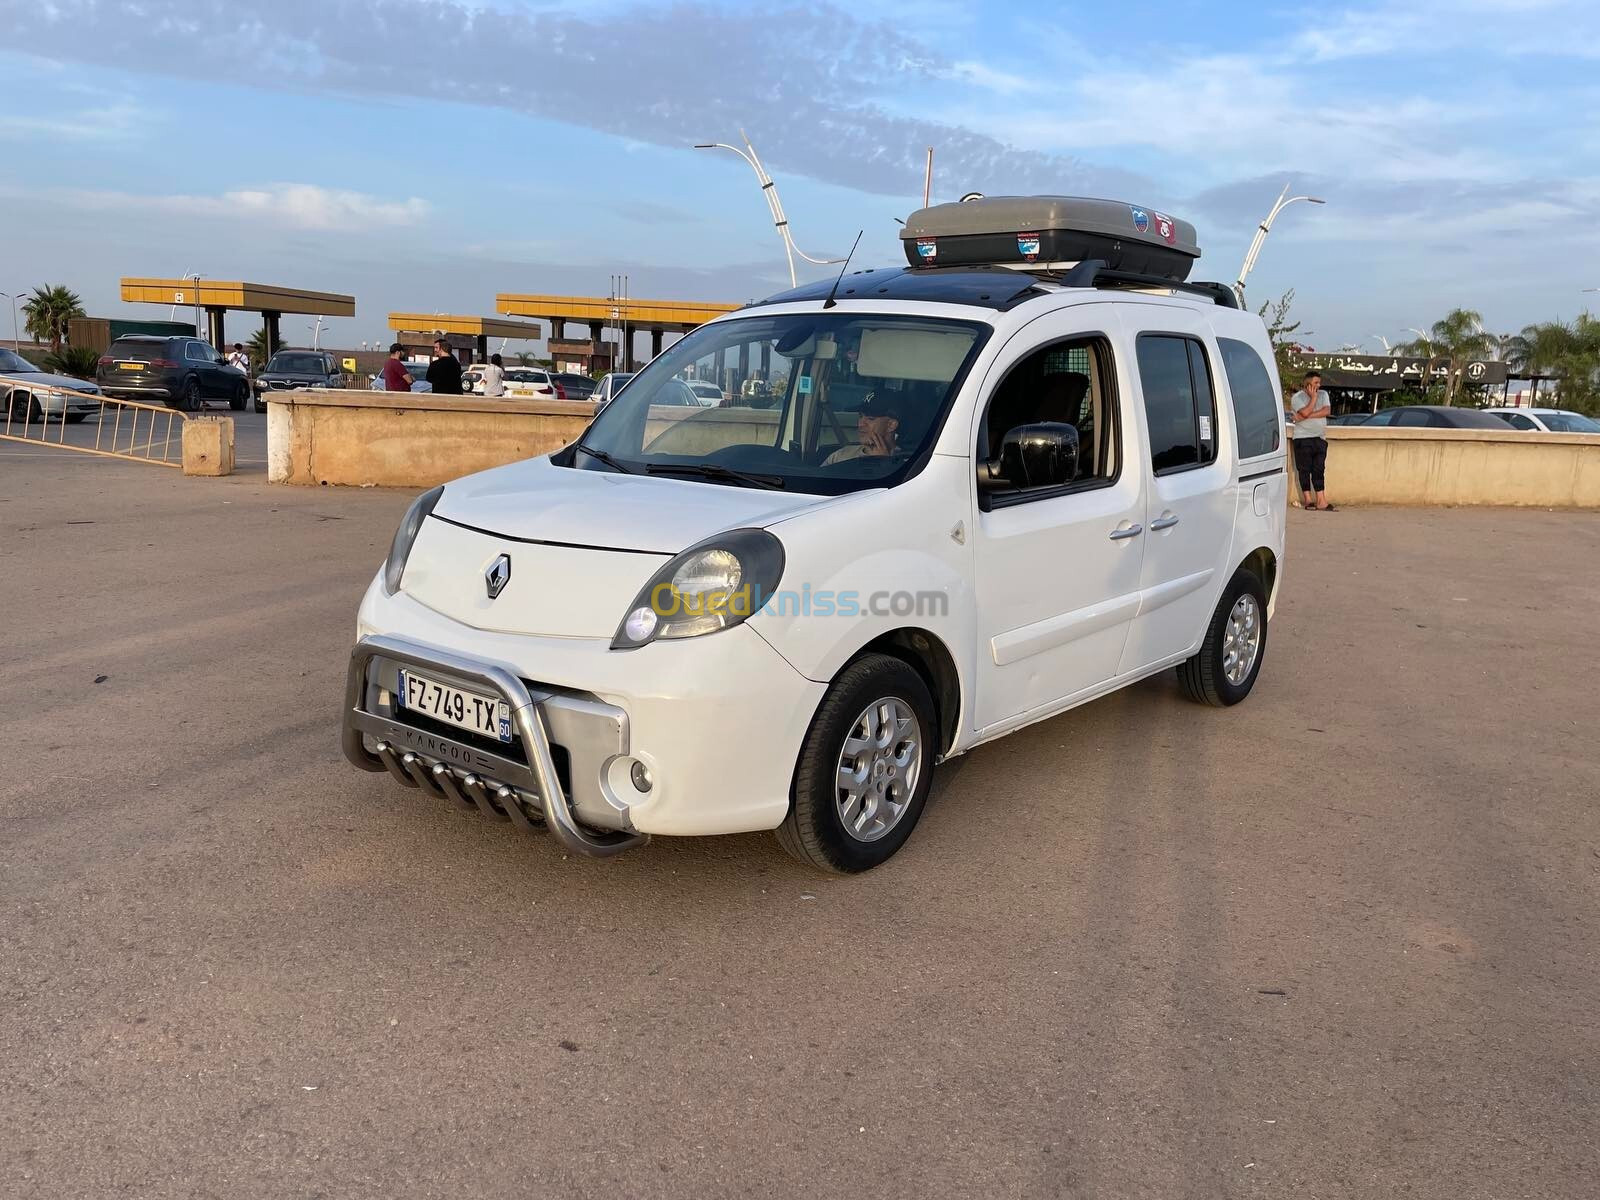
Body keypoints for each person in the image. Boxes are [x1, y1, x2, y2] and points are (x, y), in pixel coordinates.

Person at [1291, 369, 1336, 511]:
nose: (1319, 385)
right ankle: (1308, 500)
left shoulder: (1324, 395)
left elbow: (1326, 411)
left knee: (1318, 469)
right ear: (1308, 384)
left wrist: (1303, 417)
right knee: (1304, 469)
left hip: (1320, 438)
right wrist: (1313, 399)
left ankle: (1321, 501)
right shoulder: (1297, 398)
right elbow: (1304, 411)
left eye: (1319, 382)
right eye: (1316, 383)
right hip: (1302, 438)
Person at [824, 393, 900, 465]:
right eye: (860, 416)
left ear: (891, 425)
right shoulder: (840, 456)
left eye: (871, 418)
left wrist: (885, 464)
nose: (860, 424)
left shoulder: (905, 463)